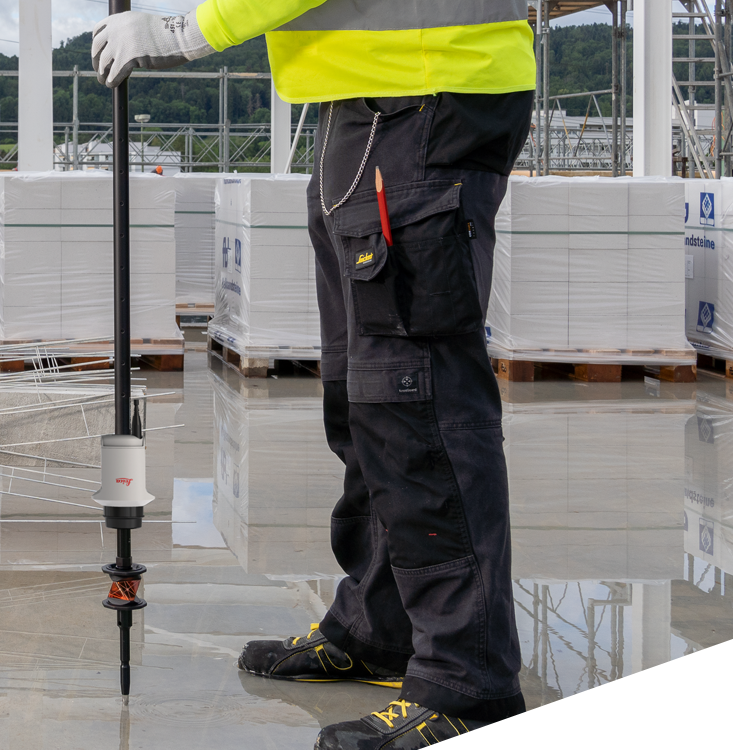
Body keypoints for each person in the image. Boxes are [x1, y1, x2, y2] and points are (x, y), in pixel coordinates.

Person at [94, 1, 536, 747]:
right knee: (366, 398)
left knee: (415, 399)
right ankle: (381, 627)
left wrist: (180, 31)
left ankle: (467, 682)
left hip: (424, 92)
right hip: (371, 105)